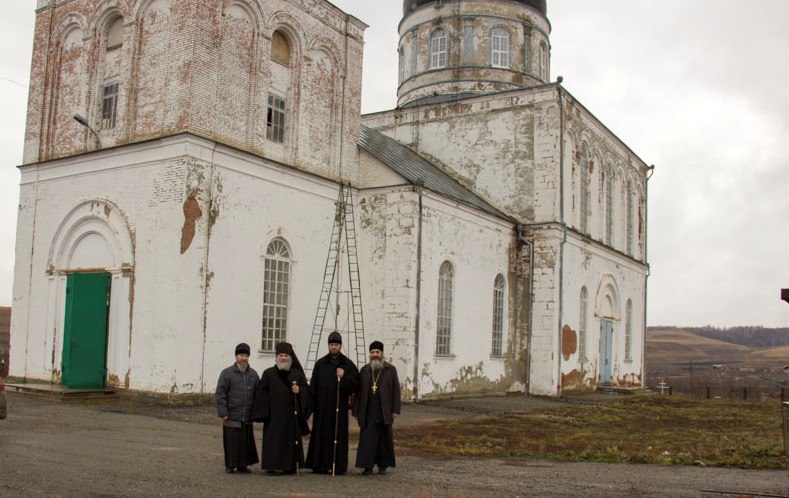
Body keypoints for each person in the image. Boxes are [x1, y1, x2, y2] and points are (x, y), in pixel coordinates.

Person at [252, 342, 311, 474]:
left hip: (291, 416)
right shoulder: (268, 373)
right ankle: (271, 465)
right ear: (277, 357)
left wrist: (300, 390)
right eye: (281, 355)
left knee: (289, 441)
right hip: (273, 416)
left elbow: (307, 391)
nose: (283, 358)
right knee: (273, 441)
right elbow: (261, 393)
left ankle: (290, 466)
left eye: (286, 356)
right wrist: (264, 414)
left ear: (290, 357)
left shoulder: (297, 374)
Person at [306, 331, 360, 475]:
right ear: (328, 345)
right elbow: (313, 387)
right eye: (331, 344)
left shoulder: (347, 364)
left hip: (339, 408)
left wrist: (344, 376)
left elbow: (356, 384)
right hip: (322, 408)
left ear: (340, 346)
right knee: (321, 436)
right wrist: (310, 407)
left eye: (336, 344)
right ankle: (319, 465)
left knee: (338, 435)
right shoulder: (320, 364)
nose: (334, 347)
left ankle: (338, 466)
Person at [353, 341, 401, 475]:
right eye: (373, 352)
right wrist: (356, 410)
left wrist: (395, 409)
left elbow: (396, 390)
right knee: (367, 440)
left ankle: (383, 466)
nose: (375, 355)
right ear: (370, 354)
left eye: (377, 352)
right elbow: (358, 392)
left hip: (384, 409)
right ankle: (367, 467)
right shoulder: (365, 370)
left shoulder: (390, 370)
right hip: (368, 410)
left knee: (383, 440)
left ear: (382, 354)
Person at [215, 343, 260, 474]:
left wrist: (256, 413)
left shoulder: (253, 375)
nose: (243, 358)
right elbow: (220, 393)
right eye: (241, 355)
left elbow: (258, 394)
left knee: (245, 442)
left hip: (247, 415)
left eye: (246, 356)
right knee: (232, 441)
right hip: (232, 415)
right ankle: (230, 464)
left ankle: (243, 465)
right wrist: (223, 412)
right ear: (236, 356)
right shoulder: (227, 373)